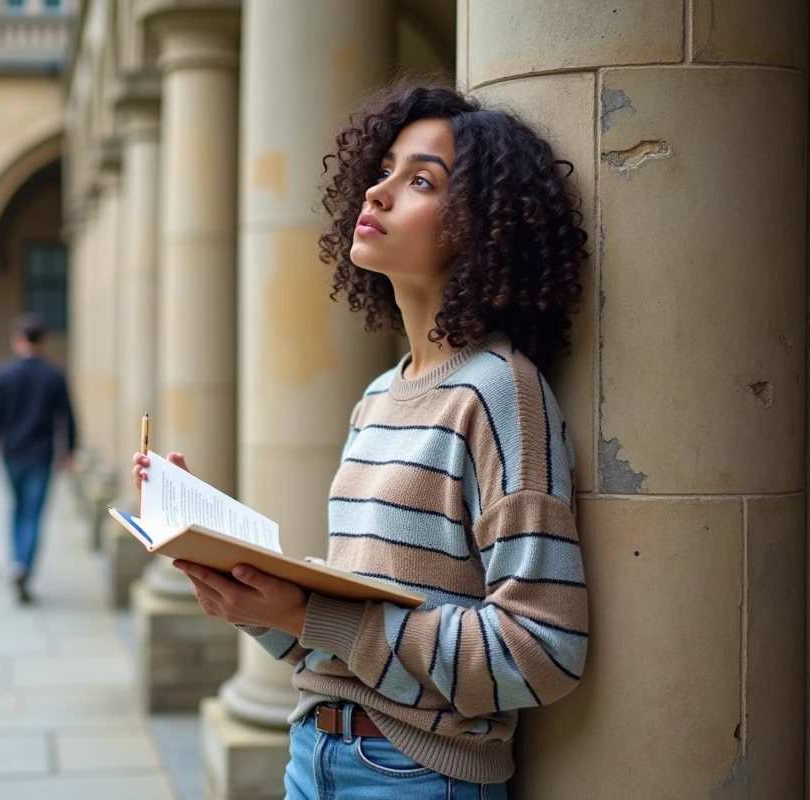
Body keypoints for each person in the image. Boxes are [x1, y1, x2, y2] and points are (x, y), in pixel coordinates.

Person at [132, 84, 589, 798]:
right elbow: (344, 635)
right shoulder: (377, 398)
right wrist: (246, 593)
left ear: (484, 226)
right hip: (312, 752)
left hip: (417, 776)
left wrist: (309, 614)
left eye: (419, 180)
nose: (376, 192)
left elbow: (544, 647)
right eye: (383, 169)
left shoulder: (501, 392)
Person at [0, 313, 77, 605]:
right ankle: (24, 565)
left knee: (18, 509)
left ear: (17, 340)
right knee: (33, 514)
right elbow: (68, 417)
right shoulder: (54, 374)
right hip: (41, 454)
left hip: (12, 453)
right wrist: (69, 450)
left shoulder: (3, 373)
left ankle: (17, 563)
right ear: (44, 340)